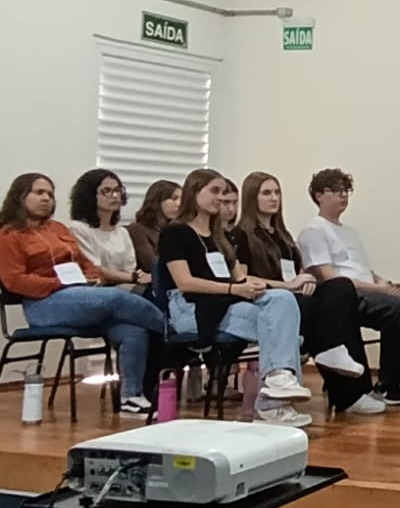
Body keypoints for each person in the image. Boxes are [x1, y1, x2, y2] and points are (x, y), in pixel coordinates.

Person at [0, 173, 167, 416]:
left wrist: (92, 277)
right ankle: (173, 332)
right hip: (43, 305)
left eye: (50, 194)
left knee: (133, 331)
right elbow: (15, 281)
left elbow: (85, 263)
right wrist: (58, 283)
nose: (46, 198)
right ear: (20, 196)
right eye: (39, 193)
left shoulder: (57, 229)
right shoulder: (8, 235)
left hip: (79, 296)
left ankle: (131, 397)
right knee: (117, 298)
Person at [161, 168, 314, 428]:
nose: (221, 198)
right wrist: (234, 290)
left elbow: (238, 278)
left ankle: (277, 385)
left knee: (283, 300)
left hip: (225, 302)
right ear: (194, 192)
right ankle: (273, 401)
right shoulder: (175, 232)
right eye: (215, 191)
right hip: (191, 308)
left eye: (223, 192)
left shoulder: (219, 236)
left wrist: (256, 286)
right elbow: (184, 282)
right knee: (280, 329)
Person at [230, 172, 381, 415]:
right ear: (251, 197)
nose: (274, 198)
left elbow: (296, 271)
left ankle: (338, 363)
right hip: (270, 300)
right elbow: (244, 279)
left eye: (277, 192)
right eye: (266, 193)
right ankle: (347, 389)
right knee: (326, 317)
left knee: (341, 290)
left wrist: (305, 280)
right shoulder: (242, 235)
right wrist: (289, 286)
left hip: (294, 294)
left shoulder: (282, 235)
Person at [298, 168, 400, 403]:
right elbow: (330, 279)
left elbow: (362, 269)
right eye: (336, 190)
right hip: (347, 297)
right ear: (318, 195)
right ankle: (390, 384)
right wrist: (379, 290)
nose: (343, 195)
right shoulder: (314, 231)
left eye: (346, 190)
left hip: (370, 288)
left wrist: (382, 281)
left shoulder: (349, 232)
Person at [67, 169, 149, 289]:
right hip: (97, 288)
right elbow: (94, 268)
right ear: (90, 196)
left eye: (117, 190)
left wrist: (135, 277)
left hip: (125, 285)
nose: (115, 196)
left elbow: (129, 268)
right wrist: (134, 277)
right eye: (107, 191)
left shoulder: (122, 232)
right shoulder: (78, 229)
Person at [128, 180, 181, 275]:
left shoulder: (177, 230)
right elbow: (151, 263)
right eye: (174, 199)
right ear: (157, 201)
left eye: (182, 200)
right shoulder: (137, 229)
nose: (179, 204)